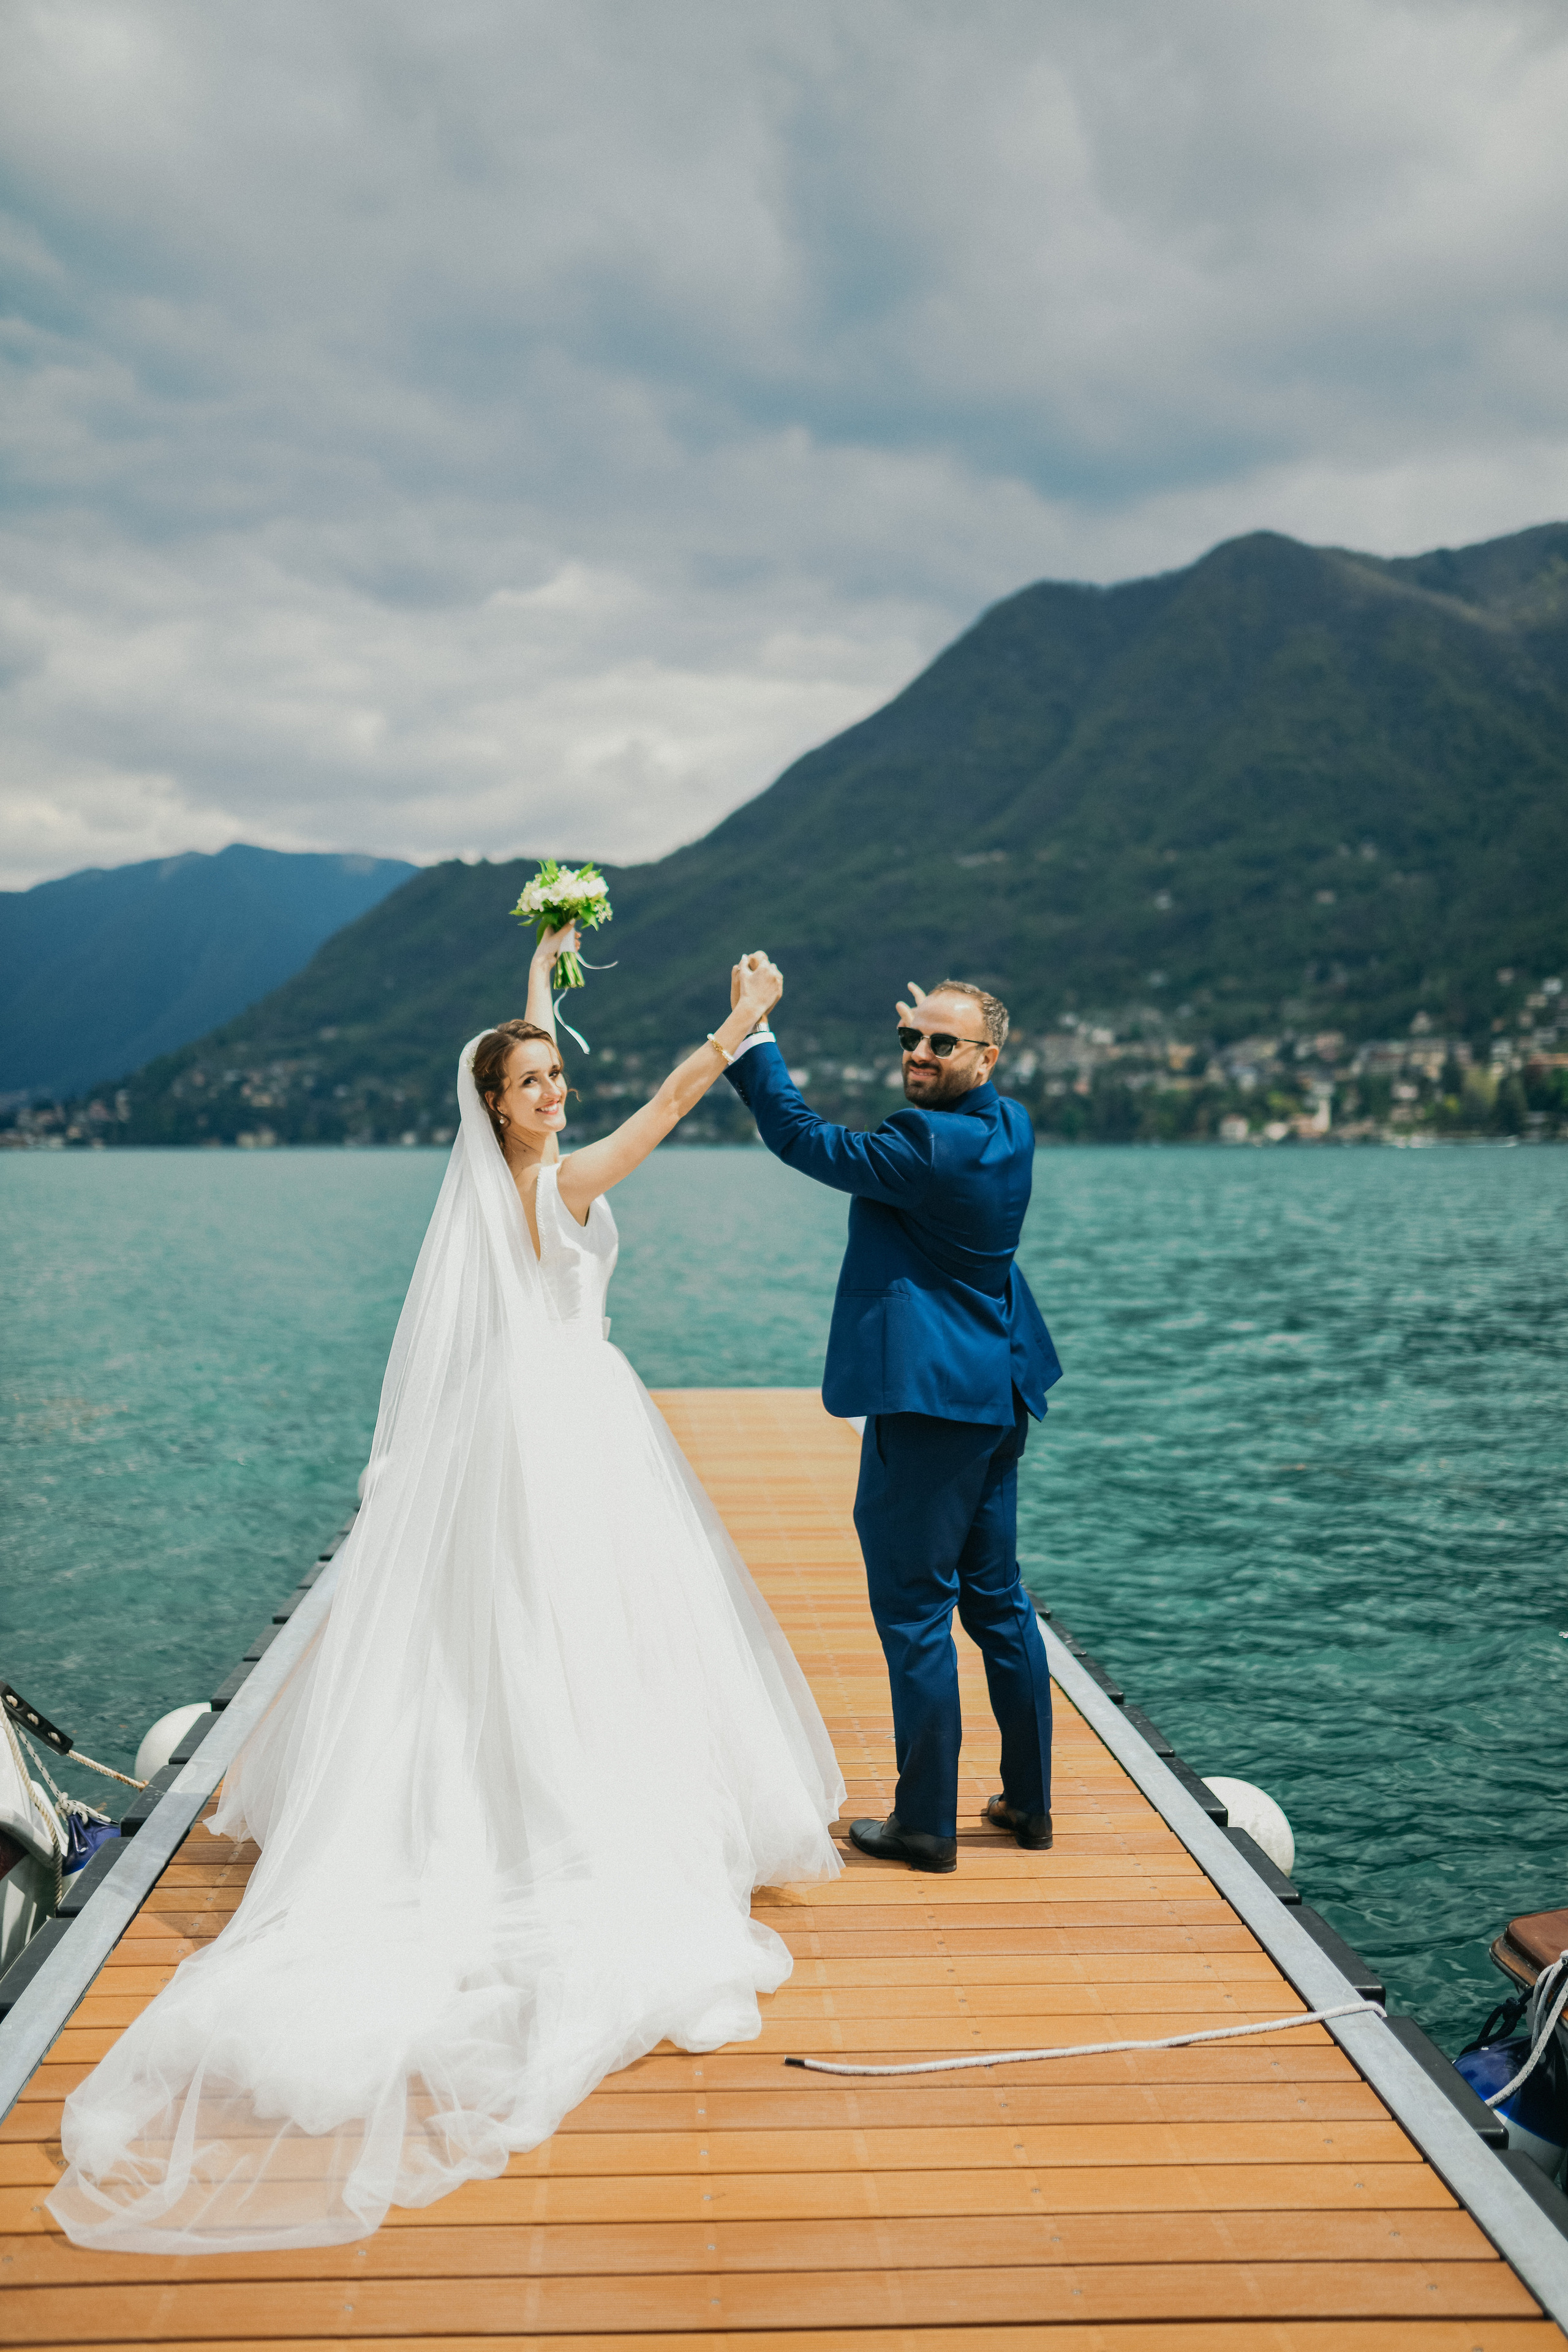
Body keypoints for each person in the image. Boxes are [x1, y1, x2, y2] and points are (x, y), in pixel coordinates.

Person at [50, 931, 843, 2255]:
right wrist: (744, 1023)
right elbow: (663, 1105)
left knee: (507, 1631)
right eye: (533, 1082)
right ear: (501, 1105)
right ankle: (566, 1817)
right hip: (573, 1433)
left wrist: (543, 973)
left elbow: (516, 1060)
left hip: (506, 1431)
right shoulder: (559, 1186)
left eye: (550, 1076)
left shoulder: (489, 1179)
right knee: (575, 1630)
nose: (552, 1091)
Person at [723, 970, 1060, 1874]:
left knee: (915, 1611)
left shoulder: (923, 1145)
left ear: (987, 1057)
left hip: (934, 1401)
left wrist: (753, 1033)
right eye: (910, 1039)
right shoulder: (1011, 1124)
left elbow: (800, 1138)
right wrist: (941, 1024)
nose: (916, 1052)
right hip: (1000, 1387)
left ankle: (925, 1825)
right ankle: (1029, 1803)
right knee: (998, 1603)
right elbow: (946, 1089)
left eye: (940, 1044)